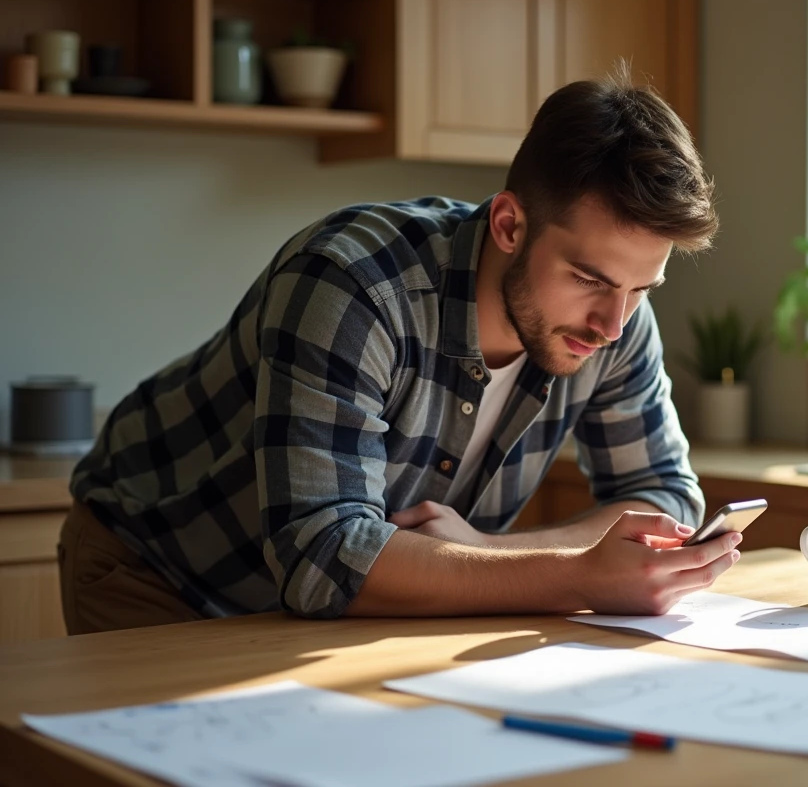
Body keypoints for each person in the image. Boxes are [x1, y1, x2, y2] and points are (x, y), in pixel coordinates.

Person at [59, 69, 739, 635]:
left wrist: (489, 552)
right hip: (158, 566)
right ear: (509, 224)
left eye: (641, 288)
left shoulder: (616, 321)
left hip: (346, 608)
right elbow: (324, 557)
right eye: (589, 279)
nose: (613, 324)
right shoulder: (353, 281)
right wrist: (575, 572)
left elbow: (664, 498)